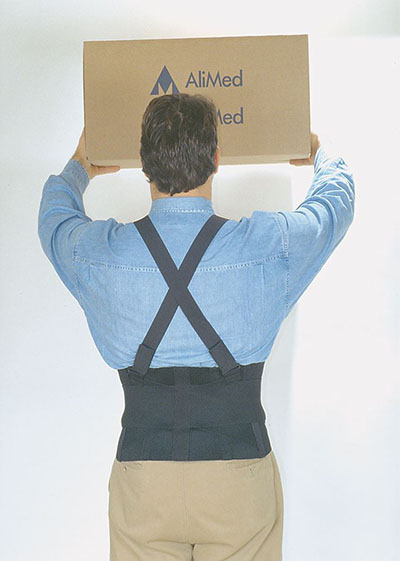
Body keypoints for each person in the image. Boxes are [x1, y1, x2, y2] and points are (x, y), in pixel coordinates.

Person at [37, 93, 355, 561]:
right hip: (239, 482)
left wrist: (81, 166)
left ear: (145, 166)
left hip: (144, 484)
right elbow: (334, 206)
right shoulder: (268, 246)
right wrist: (317, 152)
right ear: (216, 159)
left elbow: (53, 220)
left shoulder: (99, 253)